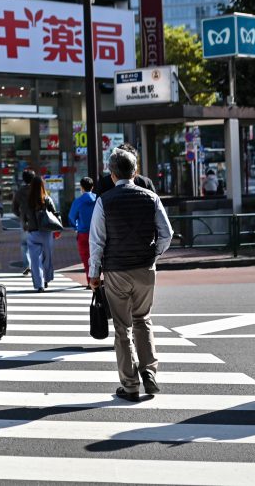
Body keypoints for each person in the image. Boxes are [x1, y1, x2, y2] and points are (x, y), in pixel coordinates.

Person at [88, 148, 173, 402]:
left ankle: (130, 384)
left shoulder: (105, 200)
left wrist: (94, 274)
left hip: (116, 270)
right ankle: (149, 372)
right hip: (145, 269)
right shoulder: (151, 197)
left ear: (112, 174)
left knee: (122, 327)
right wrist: (153, 255)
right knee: (143, 319)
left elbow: (97, 242)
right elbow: (166, 234)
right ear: (135, 172)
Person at [21, 175, 58, 293]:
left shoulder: (27, 201)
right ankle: (46, 279)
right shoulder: (47, 199)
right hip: (46, 232)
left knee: (35, 260)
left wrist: (25, 225)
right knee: (47, 258)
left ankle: (39, 285)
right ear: (43, 186)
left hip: (33, 233)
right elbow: (54, 213)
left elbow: (23, 216)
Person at [67, 177, 97, 283]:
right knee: (97, 257)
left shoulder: (78, 201)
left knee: (86, 257)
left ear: (81, 188)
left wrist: (75, 227)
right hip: (97, 233)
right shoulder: (98, 199)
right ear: (92, 187)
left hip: (83, 233)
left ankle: (90, 281)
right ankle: (97, 278)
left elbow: (71, 217)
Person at [12, 168, 36, 276]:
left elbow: (14, 207)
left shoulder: (20, 191)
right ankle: (37, 265)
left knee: (24, 244)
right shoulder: (38, 189)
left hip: (25, 220)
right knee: (38, 243)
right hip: (37, 221)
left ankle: (27, 265)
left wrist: (20, 215)